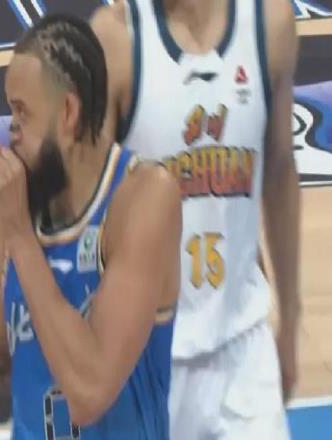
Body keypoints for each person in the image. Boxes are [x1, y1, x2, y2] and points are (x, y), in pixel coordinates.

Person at [0, 14, 182, 439]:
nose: (11, 131)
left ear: (68, 113)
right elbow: (5, 372)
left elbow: (90, 392)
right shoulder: (12, 210)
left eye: (22, 112)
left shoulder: (142, 198)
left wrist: (21, 237)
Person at [90, 0, 301, 438]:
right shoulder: (115, 39)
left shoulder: (269, 23)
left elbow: (280, 172)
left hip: (244, 346)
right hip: (147, 357)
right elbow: (89, 208)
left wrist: (290, 321)